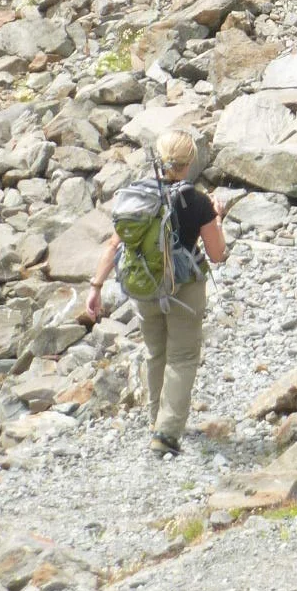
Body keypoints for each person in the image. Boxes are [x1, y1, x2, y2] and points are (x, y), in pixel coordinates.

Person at [85, 128, 226, 459]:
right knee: (182, 357)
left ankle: (156, 421)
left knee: (155, 353)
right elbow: (217, 254)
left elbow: (114, 244)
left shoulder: (139, 196)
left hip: (144, 287)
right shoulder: (197, 202)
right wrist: (218, 218)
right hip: (183, 289)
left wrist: (96, 287)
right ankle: (166, 433)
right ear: (190, 163)